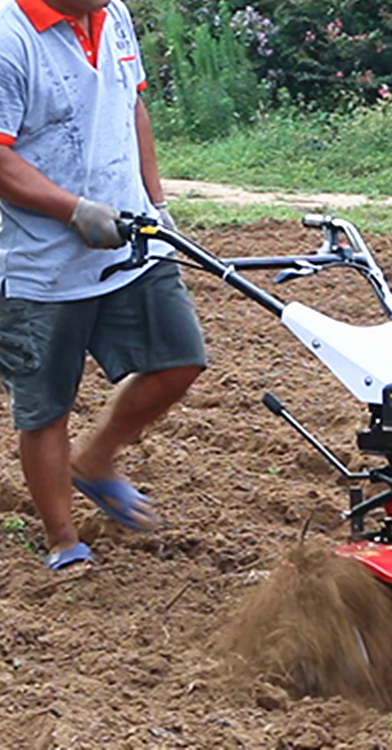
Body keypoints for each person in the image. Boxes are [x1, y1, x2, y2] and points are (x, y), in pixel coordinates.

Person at [0, 0, 206, 570]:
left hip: (133, 237)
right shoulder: (7, 36)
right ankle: (64, 540)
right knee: (45, 409)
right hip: (39, 262)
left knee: (179, 359)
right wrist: (74, 211)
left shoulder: (112, 14)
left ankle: (95, 458)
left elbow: (130, 106)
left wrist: (156, 203)